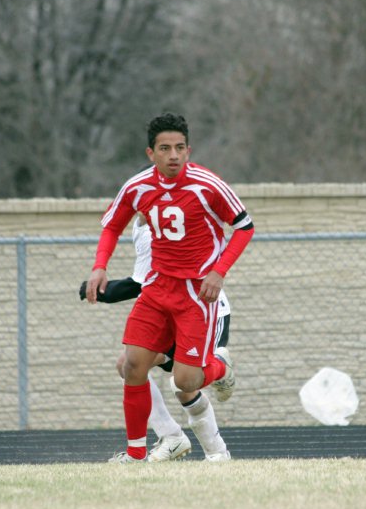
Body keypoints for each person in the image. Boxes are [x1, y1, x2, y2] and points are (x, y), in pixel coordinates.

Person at [84, 113, 254, 463]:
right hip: (158, 290)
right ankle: (135, 455)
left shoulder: (207, 184)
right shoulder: (138, 188)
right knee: (131, 365)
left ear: (188, 150)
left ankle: (221, 368)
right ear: (151, 153)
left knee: (186, 381)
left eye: (179, 148)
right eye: (165, 148)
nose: (173, 155)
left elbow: (245, 226)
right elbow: (111, 226)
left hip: (197, 294)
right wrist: (99, 267)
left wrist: (218, 272)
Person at [80, 213, 232, 462]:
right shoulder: (141, 225)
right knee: (129, 365)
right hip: (168, 311)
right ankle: (171, 436)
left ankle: (217, 450)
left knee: (184, 384)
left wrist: (103, 292)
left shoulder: (166, 225)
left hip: (204, 311)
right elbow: (147, 281)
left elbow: (139, 283)